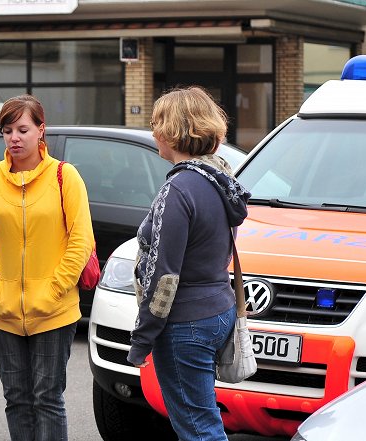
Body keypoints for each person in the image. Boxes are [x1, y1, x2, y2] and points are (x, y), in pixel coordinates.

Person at [127, 86, 251, 441]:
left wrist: (142, 339)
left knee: (198, 428)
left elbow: (164, 276)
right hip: (217, 311)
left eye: (156, 124)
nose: (153, 133)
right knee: (203, 417)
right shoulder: (220, 180)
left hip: (186, 323)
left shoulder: (179, 188)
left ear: (174, 131)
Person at [0, 94, 94, 441]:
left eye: (23, 129)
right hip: (5, 311)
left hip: (54, 311)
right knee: (16, 399)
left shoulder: (64, 176)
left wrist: (53, 290)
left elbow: (81, 241)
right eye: (7, 130)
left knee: (47, 398)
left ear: (41, 130)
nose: (15, 138)